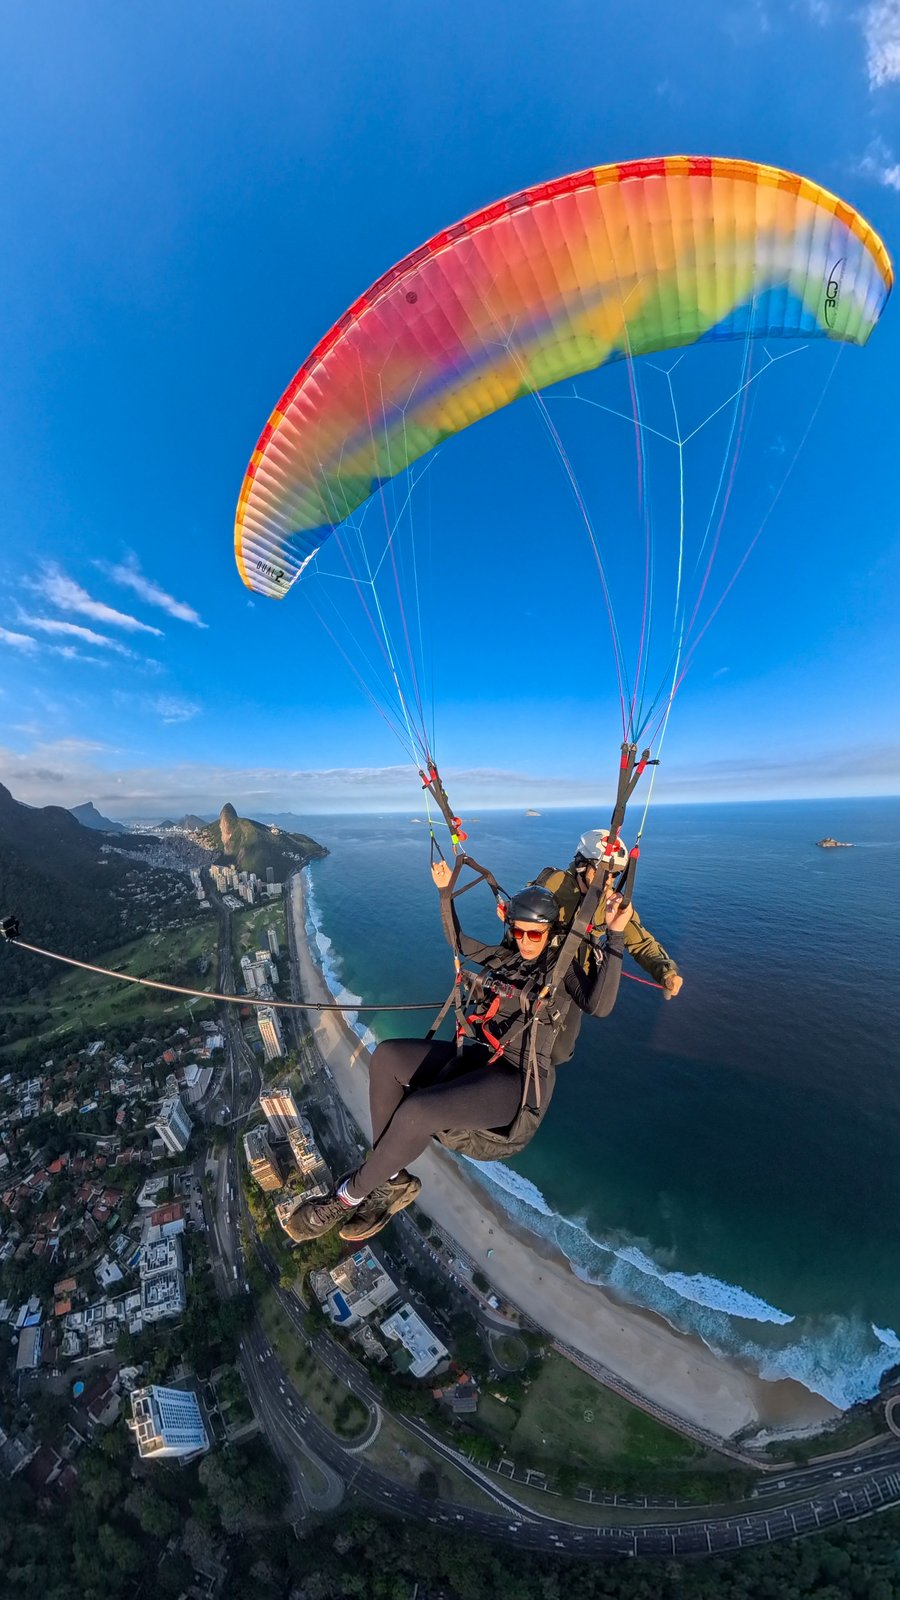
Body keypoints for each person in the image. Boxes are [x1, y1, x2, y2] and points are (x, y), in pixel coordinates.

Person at [282, 868, 632, 1246]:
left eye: (535, 933)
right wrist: (445, 891)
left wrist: (615, 935)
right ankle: (393, 1180)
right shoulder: (506, 959)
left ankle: (345, 1197)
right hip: (481, 1058)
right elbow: (460, 943)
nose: (526, 940)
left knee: (418, 1111)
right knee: (386, 1057)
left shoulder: (561, 973)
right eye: (518, 931)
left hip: (518, 1080)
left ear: (550, 932)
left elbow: (599, 1005)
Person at [529, 828, 683, 999]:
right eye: (601, 871)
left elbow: (640, 942)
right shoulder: (552, 884)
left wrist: (666, 972)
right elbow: (522, 912)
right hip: (536, 965)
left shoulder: (609, 904)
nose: (608, 880)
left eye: (614, 874)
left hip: (575, 981)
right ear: (581, 865)